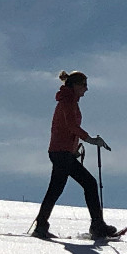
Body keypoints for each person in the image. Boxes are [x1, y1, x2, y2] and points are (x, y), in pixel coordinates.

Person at [31, 70, 117, 239]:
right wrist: (90, 140)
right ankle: (97, 226)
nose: (86, 89)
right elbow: (71, 126)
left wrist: (74, 148)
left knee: (55, 190)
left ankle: (41, 225)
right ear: (76, 85)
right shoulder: (68, 101)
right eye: (84, 85)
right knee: (90, 184)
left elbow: (66, 128)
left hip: (61, 152)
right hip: (61, 153)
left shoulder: (68, 100)